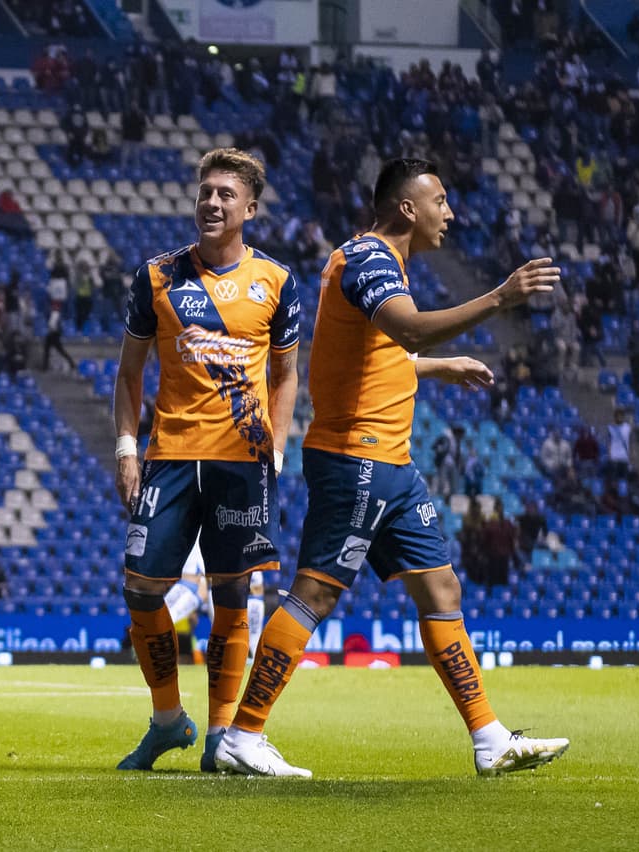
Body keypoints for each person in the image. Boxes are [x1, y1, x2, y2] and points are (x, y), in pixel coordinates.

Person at [214, 158, 569, 778]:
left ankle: (489, 738)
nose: (449, 213)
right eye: (441, 201)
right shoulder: (369, 259)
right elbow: (408, 331)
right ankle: (243, 735)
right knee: (317, 590)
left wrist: (439, 367)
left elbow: (367, 357)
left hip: (392, 464)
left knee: (442, 588)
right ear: (409, 208)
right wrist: (500, 297)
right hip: (356, 457)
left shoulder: (380, 263)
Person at [112, 148, 300, 773]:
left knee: (232, 593)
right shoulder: (157, 276)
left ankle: (222, 736)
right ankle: (169, 719)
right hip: (168, 455)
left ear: (251, 208)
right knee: (141, 588)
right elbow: (129, 372)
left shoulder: (276, 281)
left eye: (226, 194)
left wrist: (277, 448)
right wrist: (126, 447)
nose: (213, 203)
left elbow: (287, 375)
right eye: (206, 192)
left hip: (241, 460)